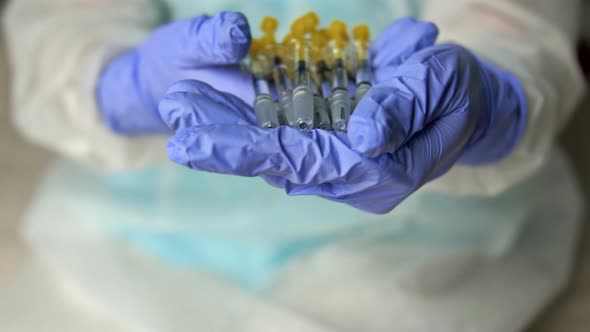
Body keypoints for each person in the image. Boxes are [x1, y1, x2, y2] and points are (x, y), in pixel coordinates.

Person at [0, 0, 585, 331]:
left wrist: (490, 104)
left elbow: (516, 19)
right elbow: (62, 21)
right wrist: (118, 84)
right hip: (139, 233)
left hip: (425, 242)